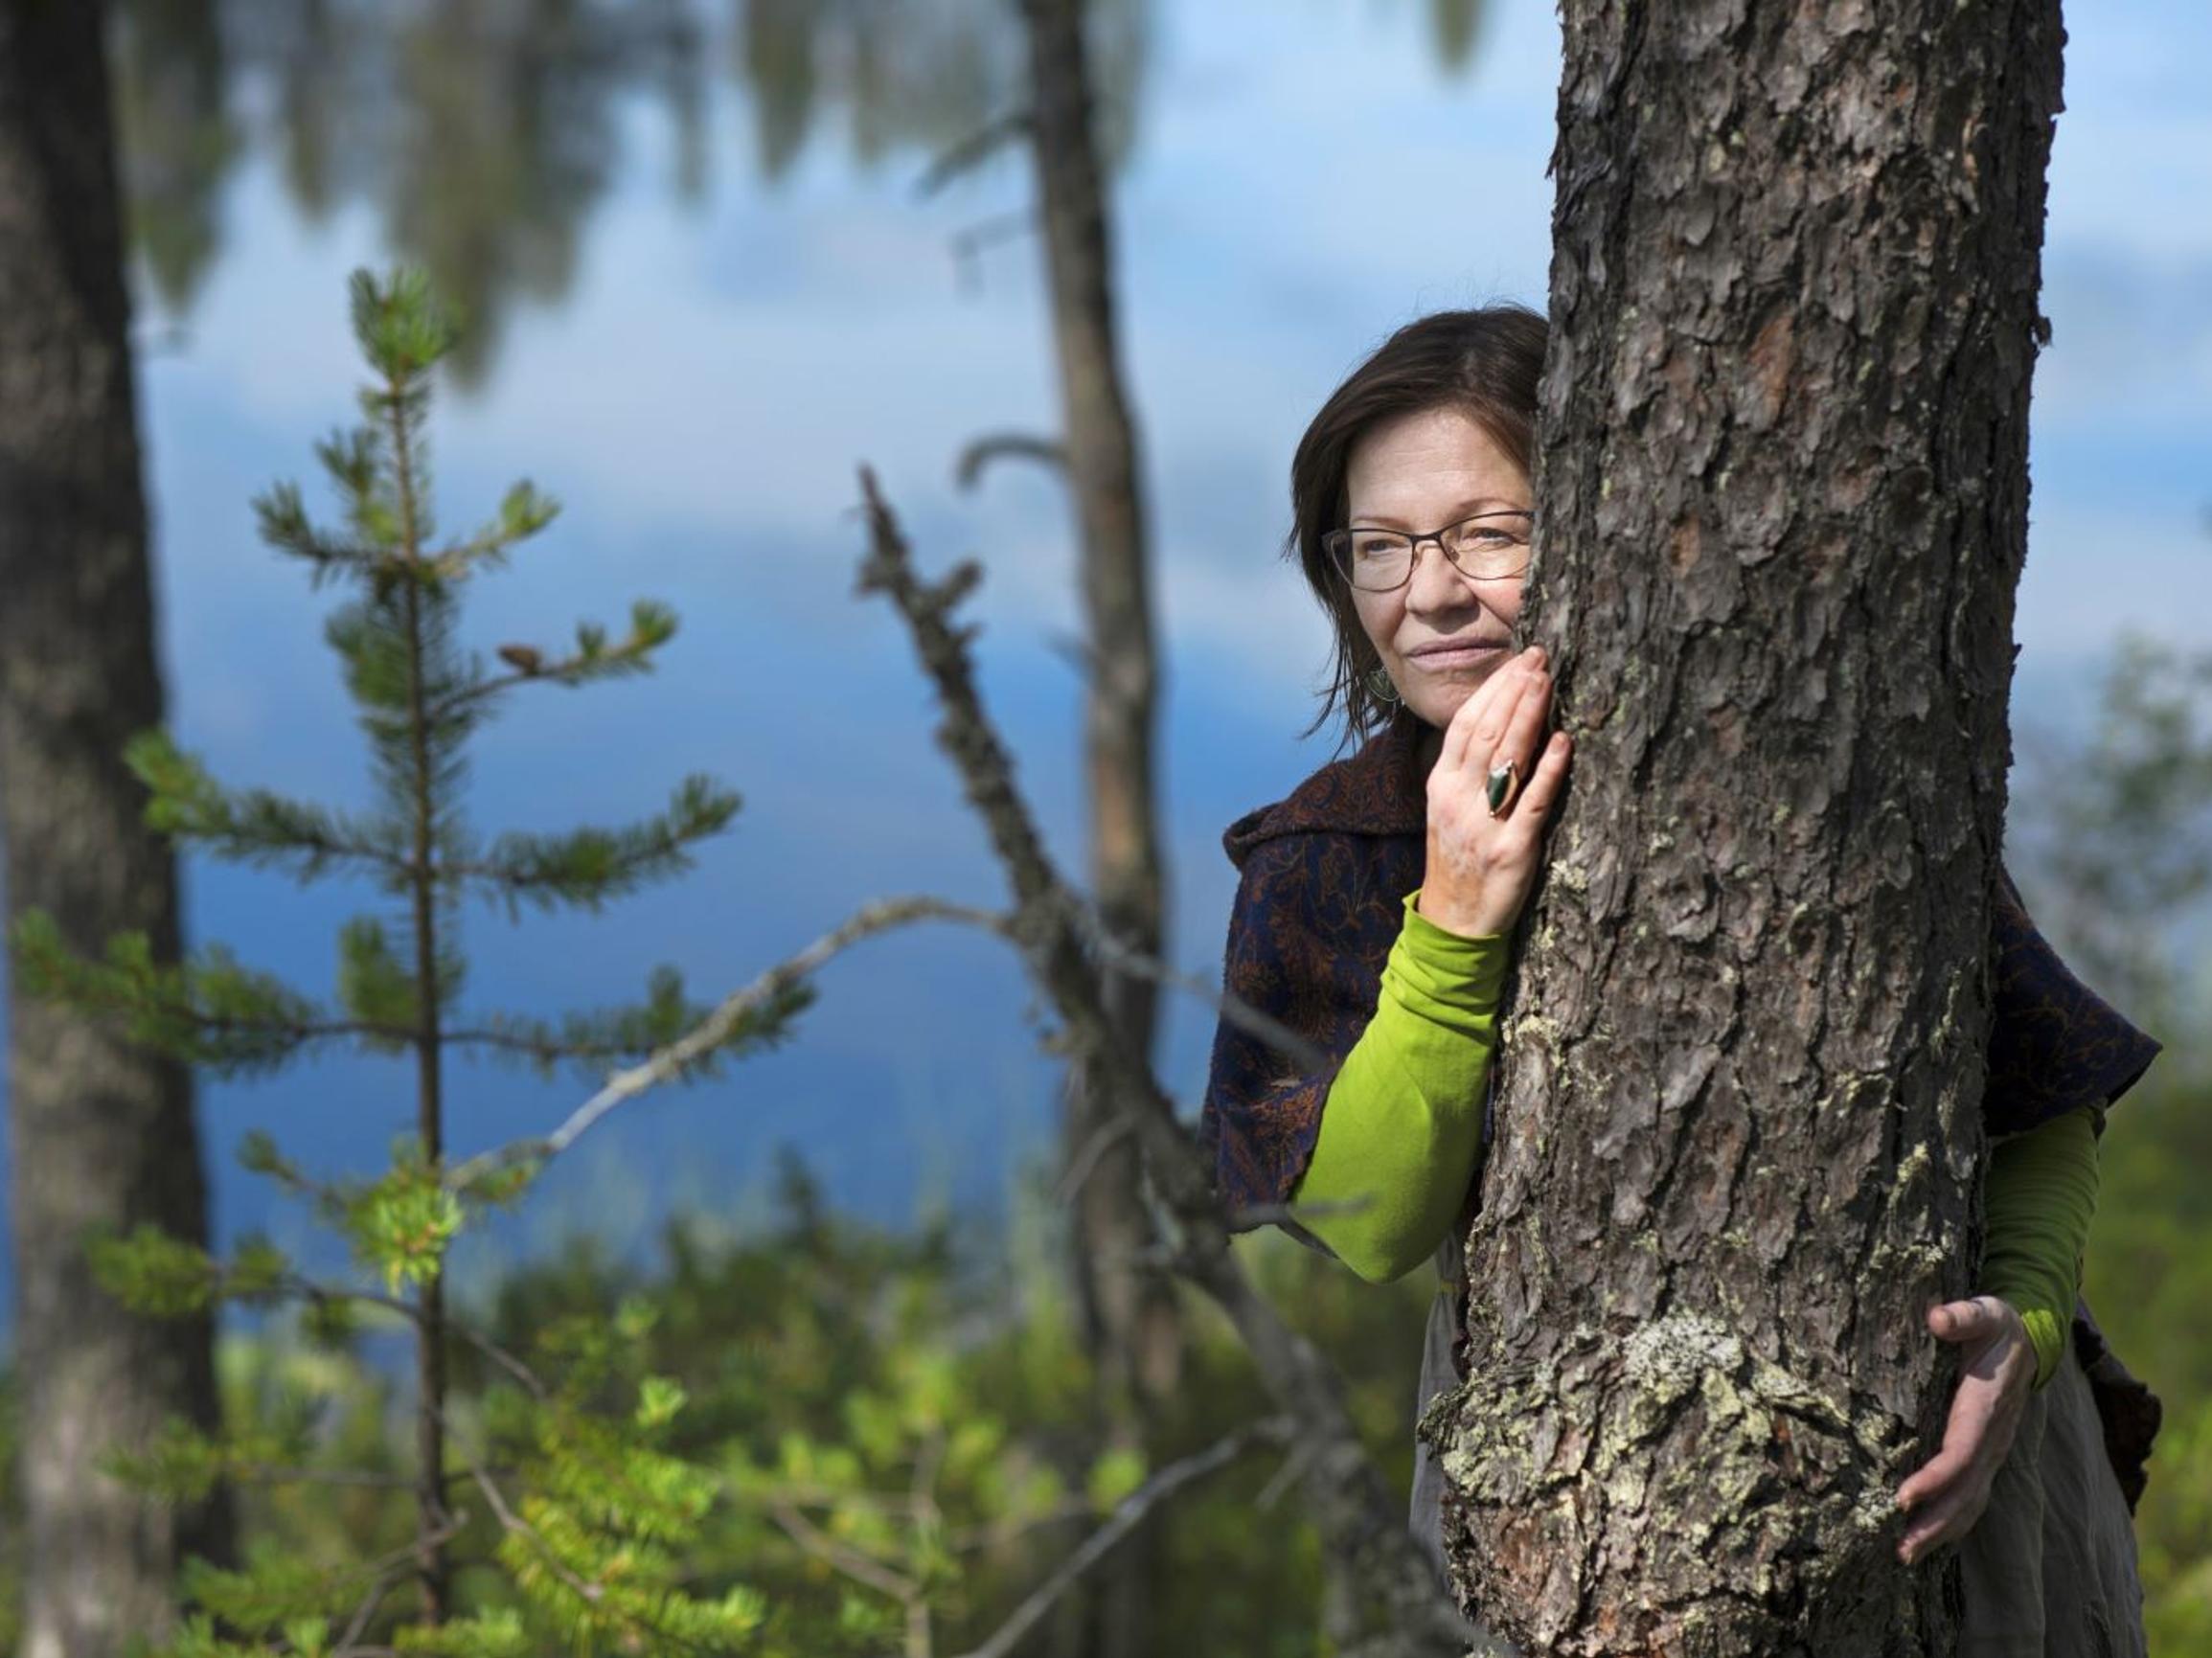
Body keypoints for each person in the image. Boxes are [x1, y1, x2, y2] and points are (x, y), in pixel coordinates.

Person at [1197, 306, 2164, 1653]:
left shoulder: (1799, 762)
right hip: (1548, 1486)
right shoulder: (1334, 853)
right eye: (1379, 547)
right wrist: (1454, 928)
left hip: (1952, 1456)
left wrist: (2027, 1327)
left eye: (1492, 532)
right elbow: (1363, 1227)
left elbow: (2045, 1087)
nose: (1427, 594)